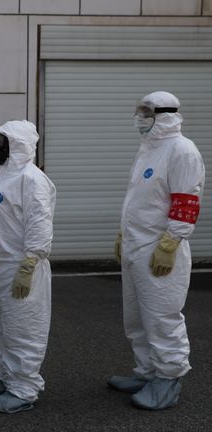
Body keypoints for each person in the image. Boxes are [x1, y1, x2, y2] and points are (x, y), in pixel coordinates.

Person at [109, 91, 204, 410]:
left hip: (161, 249)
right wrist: (124, 233)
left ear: (165, 114)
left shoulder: (182, 150)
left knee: (162, 316)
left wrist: (170, 242)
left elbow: (186, 200)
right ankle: (147, 370)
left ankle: (168, 377)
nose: (140, 118)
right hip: (137, 246)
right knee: (136, 317)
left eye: (146, 112)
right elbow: (139, 198)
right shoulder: (148, 149)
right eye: (140, 112)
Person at [0, 120, 56, 414]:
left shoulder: (31, 179)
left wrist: (29, 263)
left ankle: (24, 388)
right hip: (0, 267)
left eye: (0, 144)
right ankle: (6, 376)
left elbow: (39, 224)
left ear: (17, 145)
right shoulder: (7, 175)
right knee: (0, 326)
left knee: (23, 328)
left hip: (23, 267)